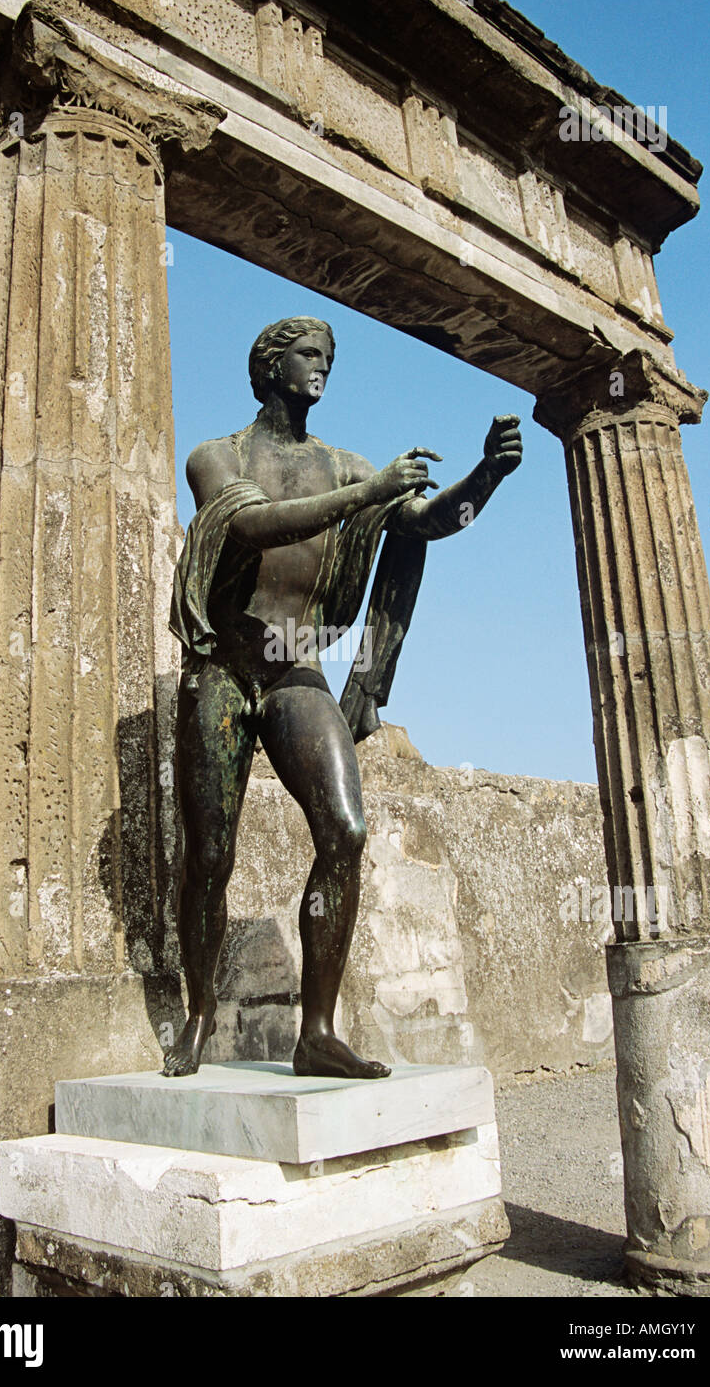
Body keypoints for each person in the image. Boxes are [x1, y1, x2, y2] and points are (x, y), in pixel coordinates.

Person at [165, 316, 522, 1078]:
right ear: (269, 367)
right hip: (224, 668)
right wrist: (367, 492)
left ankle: (316, 1033)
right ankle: (197, 1015)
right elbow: (255, 524)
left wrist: (485, 476)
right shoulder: (215, 456)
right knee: (211, 856)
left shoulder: (345, 464)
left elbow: (425, 523)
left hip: (298, 667)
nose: (320, 367)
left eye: (327, 356)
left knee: (345, 829)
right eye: (306, 355)